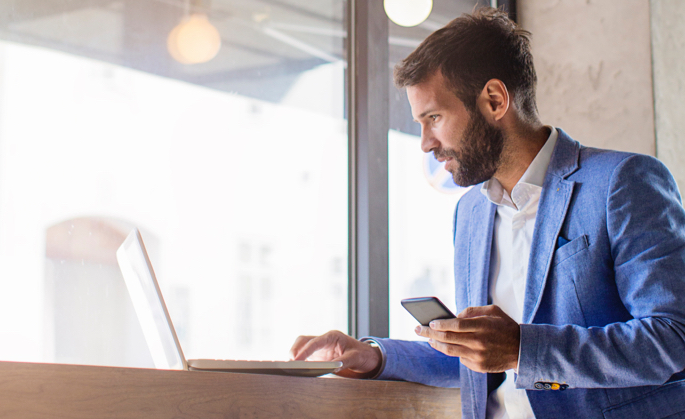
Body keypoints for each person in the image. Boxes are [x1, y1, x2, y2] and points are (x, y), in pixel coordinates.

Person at [290, 7, 685, 419]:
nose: (425, 143)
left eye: (434, 118)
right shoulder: (471, 214)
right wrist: (374, 355)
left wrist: (521, 348)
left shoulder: (622, 183)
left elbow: (674, 338)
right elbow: (479, 361)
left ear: (495, 100)